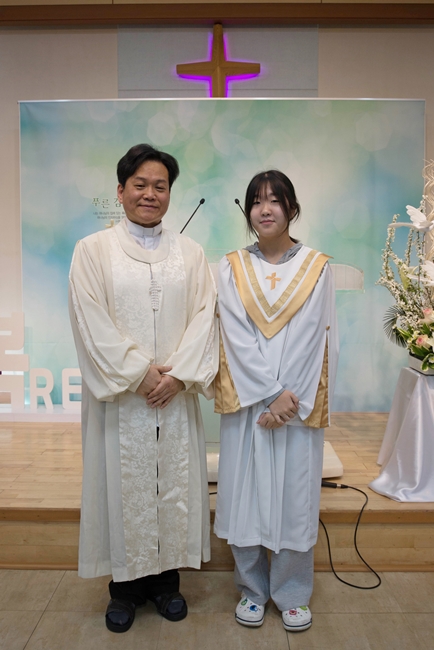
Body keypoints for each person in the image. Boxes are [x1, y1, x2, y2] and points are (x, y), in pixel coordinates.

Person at [69, 144, 218, 633]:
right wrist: (139, 373)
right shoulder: (93, 250)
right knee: (124, 486)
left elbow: (206, 317)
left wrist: (178, 376)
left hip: (173, 395)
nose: (150, 194)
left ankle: (166, 583)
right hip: (124, 399)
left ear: (170, 193)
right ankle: (125, 589)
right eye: (140, 185)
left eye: (160, 186)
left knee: (171, 482)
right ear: (120, 191)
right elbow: (89, 319)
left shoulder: (191, 254)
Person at [214, 170, 338, 633]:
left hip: (293, 408)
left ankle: (291, 594)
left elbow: (313, 336)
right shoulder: (231, 267)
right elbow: (234, 335)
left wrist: (288, 400)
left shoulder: (316, 267)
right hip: (252, 405)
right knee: (243, 496)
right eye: (257, 201)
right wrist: (268, 394)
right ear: (248, 210)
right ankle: (251, 590)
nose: (265, 209)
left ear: (292, 208)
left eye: (275, 200)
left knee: (294, 500)